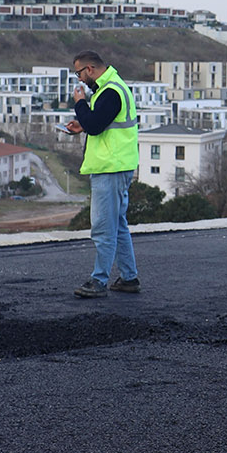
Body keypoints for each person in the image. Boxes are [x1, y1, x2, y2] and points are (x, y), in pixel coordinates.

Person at [60, 50, 140, 299]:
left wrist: (80, 104)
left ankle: (99, 280)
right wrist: (83, 125)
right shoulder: (113, 87)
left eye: (79, 73)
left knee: (103, 227)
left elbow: (95, 125)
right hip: (117, 165)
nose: (80, 79)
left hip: (110, 168)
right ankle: (129, 278)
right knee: (117, 226)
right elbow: (100, 123)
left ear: (90, 69)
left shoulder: (110, 92)